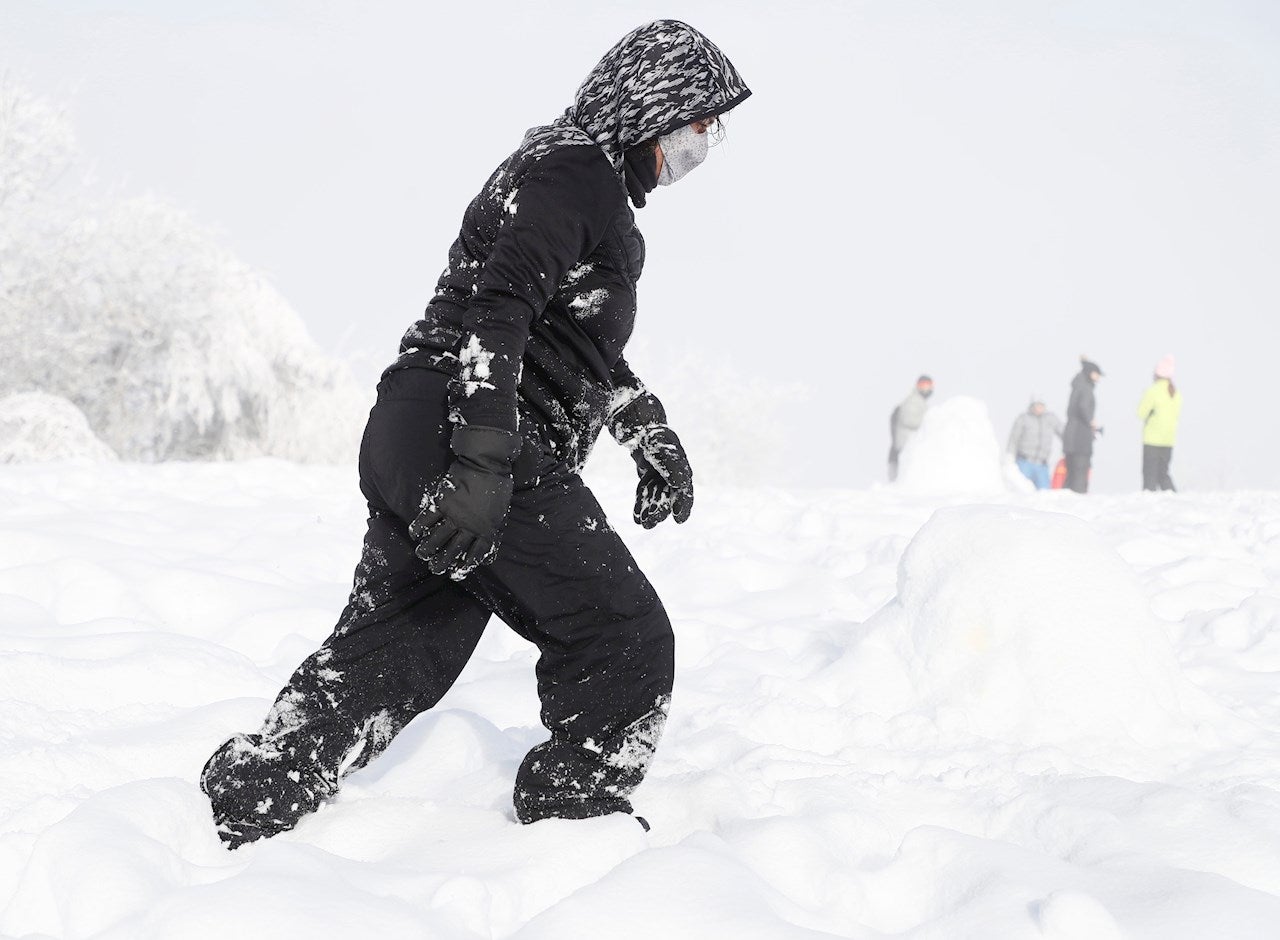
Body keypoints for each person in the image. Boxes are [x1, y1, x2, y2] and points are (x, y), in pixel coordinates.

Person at [199, 20, 751, 849]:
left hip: (419, 423)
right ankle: (575, 833)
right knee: (622, 636)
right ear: (655, 107)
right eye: (703, 123)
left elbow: (571, 342)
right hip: (470, 430)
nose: (709, 144)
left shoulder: (563, 171)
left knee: (399, 648)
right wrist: (483, 462)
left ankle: (255, 792)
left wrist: (645, 427)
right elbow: (501, 310)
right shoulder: (578, 171)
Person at [1137, 354, 1182, 491]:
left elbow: (1140, 413)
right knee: (1163, 474)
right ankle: (1175, 501)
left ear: (1156, 374)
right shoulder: (1176, 394)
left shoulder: (1153, 391)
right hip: (1168, 440)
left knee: (1150, 475)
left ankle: (1147, 505)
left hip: (1152, 439)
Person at [1062, 358, 1103, 493]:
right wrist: (1091, 421)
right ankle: (1078, 501)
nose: (1098, 377)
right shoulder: (1085, 388)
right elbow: (1083, 406)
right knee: (1080, 472)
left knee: (1071, 473)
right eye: (1097, 374)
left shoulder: (1078, 386)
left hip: (1071, 437)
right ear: (1090, 373)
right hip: (1080, 438)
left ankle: (1065, 504)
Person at [1007, 397, 1063, 489]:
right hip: (1024, 462)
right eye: (1036, 405)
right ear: (1032, 406)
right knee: (1020, 490)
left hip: (1042, 465)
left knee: (1044, 494)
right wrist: (1009, 456)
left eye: (1041, 406)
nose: (1039, 408)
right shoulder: (1024, 418)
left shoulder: (1051, 419)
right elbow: (1013, 439)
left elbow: (1064, 433)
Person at [889, 375, 934, 481]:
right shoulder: (913, 401)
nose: (925, 389)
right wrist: (928, 423)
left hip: (904, 448)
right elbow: (908, 419)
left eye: (928, 386)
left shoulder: (919, 402)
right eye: (922, 385)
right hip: (904, 447)